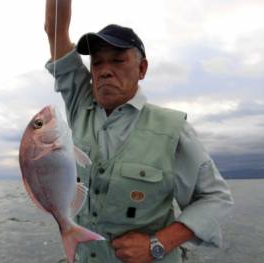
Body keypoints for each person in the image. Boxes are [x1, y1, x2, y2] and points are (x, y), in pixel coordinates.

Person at [44, 1, 234, 262]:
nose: (105, 71)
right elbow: (54, 30)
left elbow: (216, 198)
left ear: (142, 68)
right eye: (97, 63)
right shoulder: (80, 104)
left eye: (118, 60)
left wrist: (159, 243)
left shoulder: (172, 128)